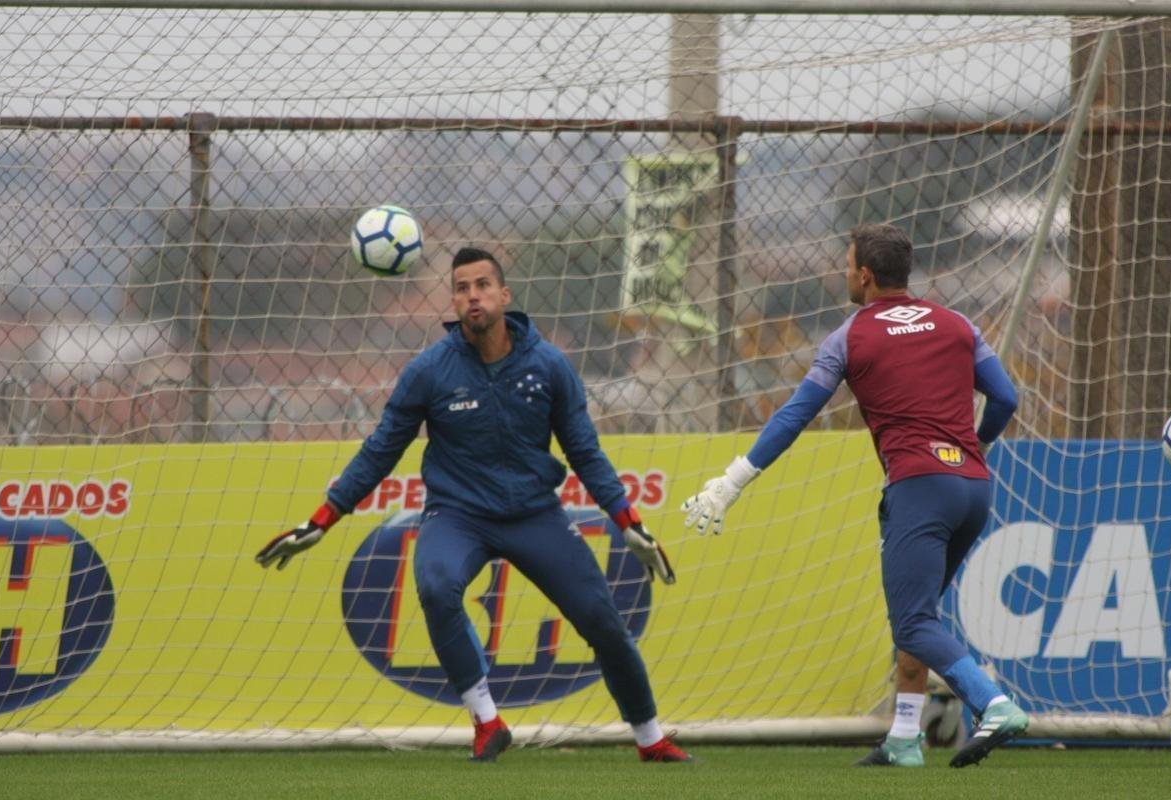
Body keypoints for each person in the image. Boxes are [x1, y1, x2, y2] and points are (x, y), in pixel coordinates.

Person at [256, 247, 692, 764]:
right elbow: (381, 450)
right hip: (457, 514)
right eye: (462, 288)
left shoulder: (549, 365)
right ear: (454, 301)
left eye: (482, 285)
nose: (472, 296)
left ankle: (650, 739)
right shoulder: (430, 371)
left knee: (602, 619)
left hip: (535, 514)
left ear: (504, 295)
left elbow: (585, 452)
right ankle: (486, 722)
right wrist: (324, 518)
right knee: (436, 586)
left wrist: (628, 521)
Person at [681, 223, 1025, 768]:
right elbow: (1007, 397)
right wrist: (973, 447)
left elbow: (796, 414)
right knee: (921, 614)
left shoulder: (850, 336)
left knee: (912, 622)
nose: (844, 273)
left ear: (864, 275)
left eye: (847, 266)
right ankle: (905, 738)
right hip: (973, 489)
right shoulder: (958, 323)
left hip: (919, 487)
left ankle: (994, 705)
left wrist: (733, 480)